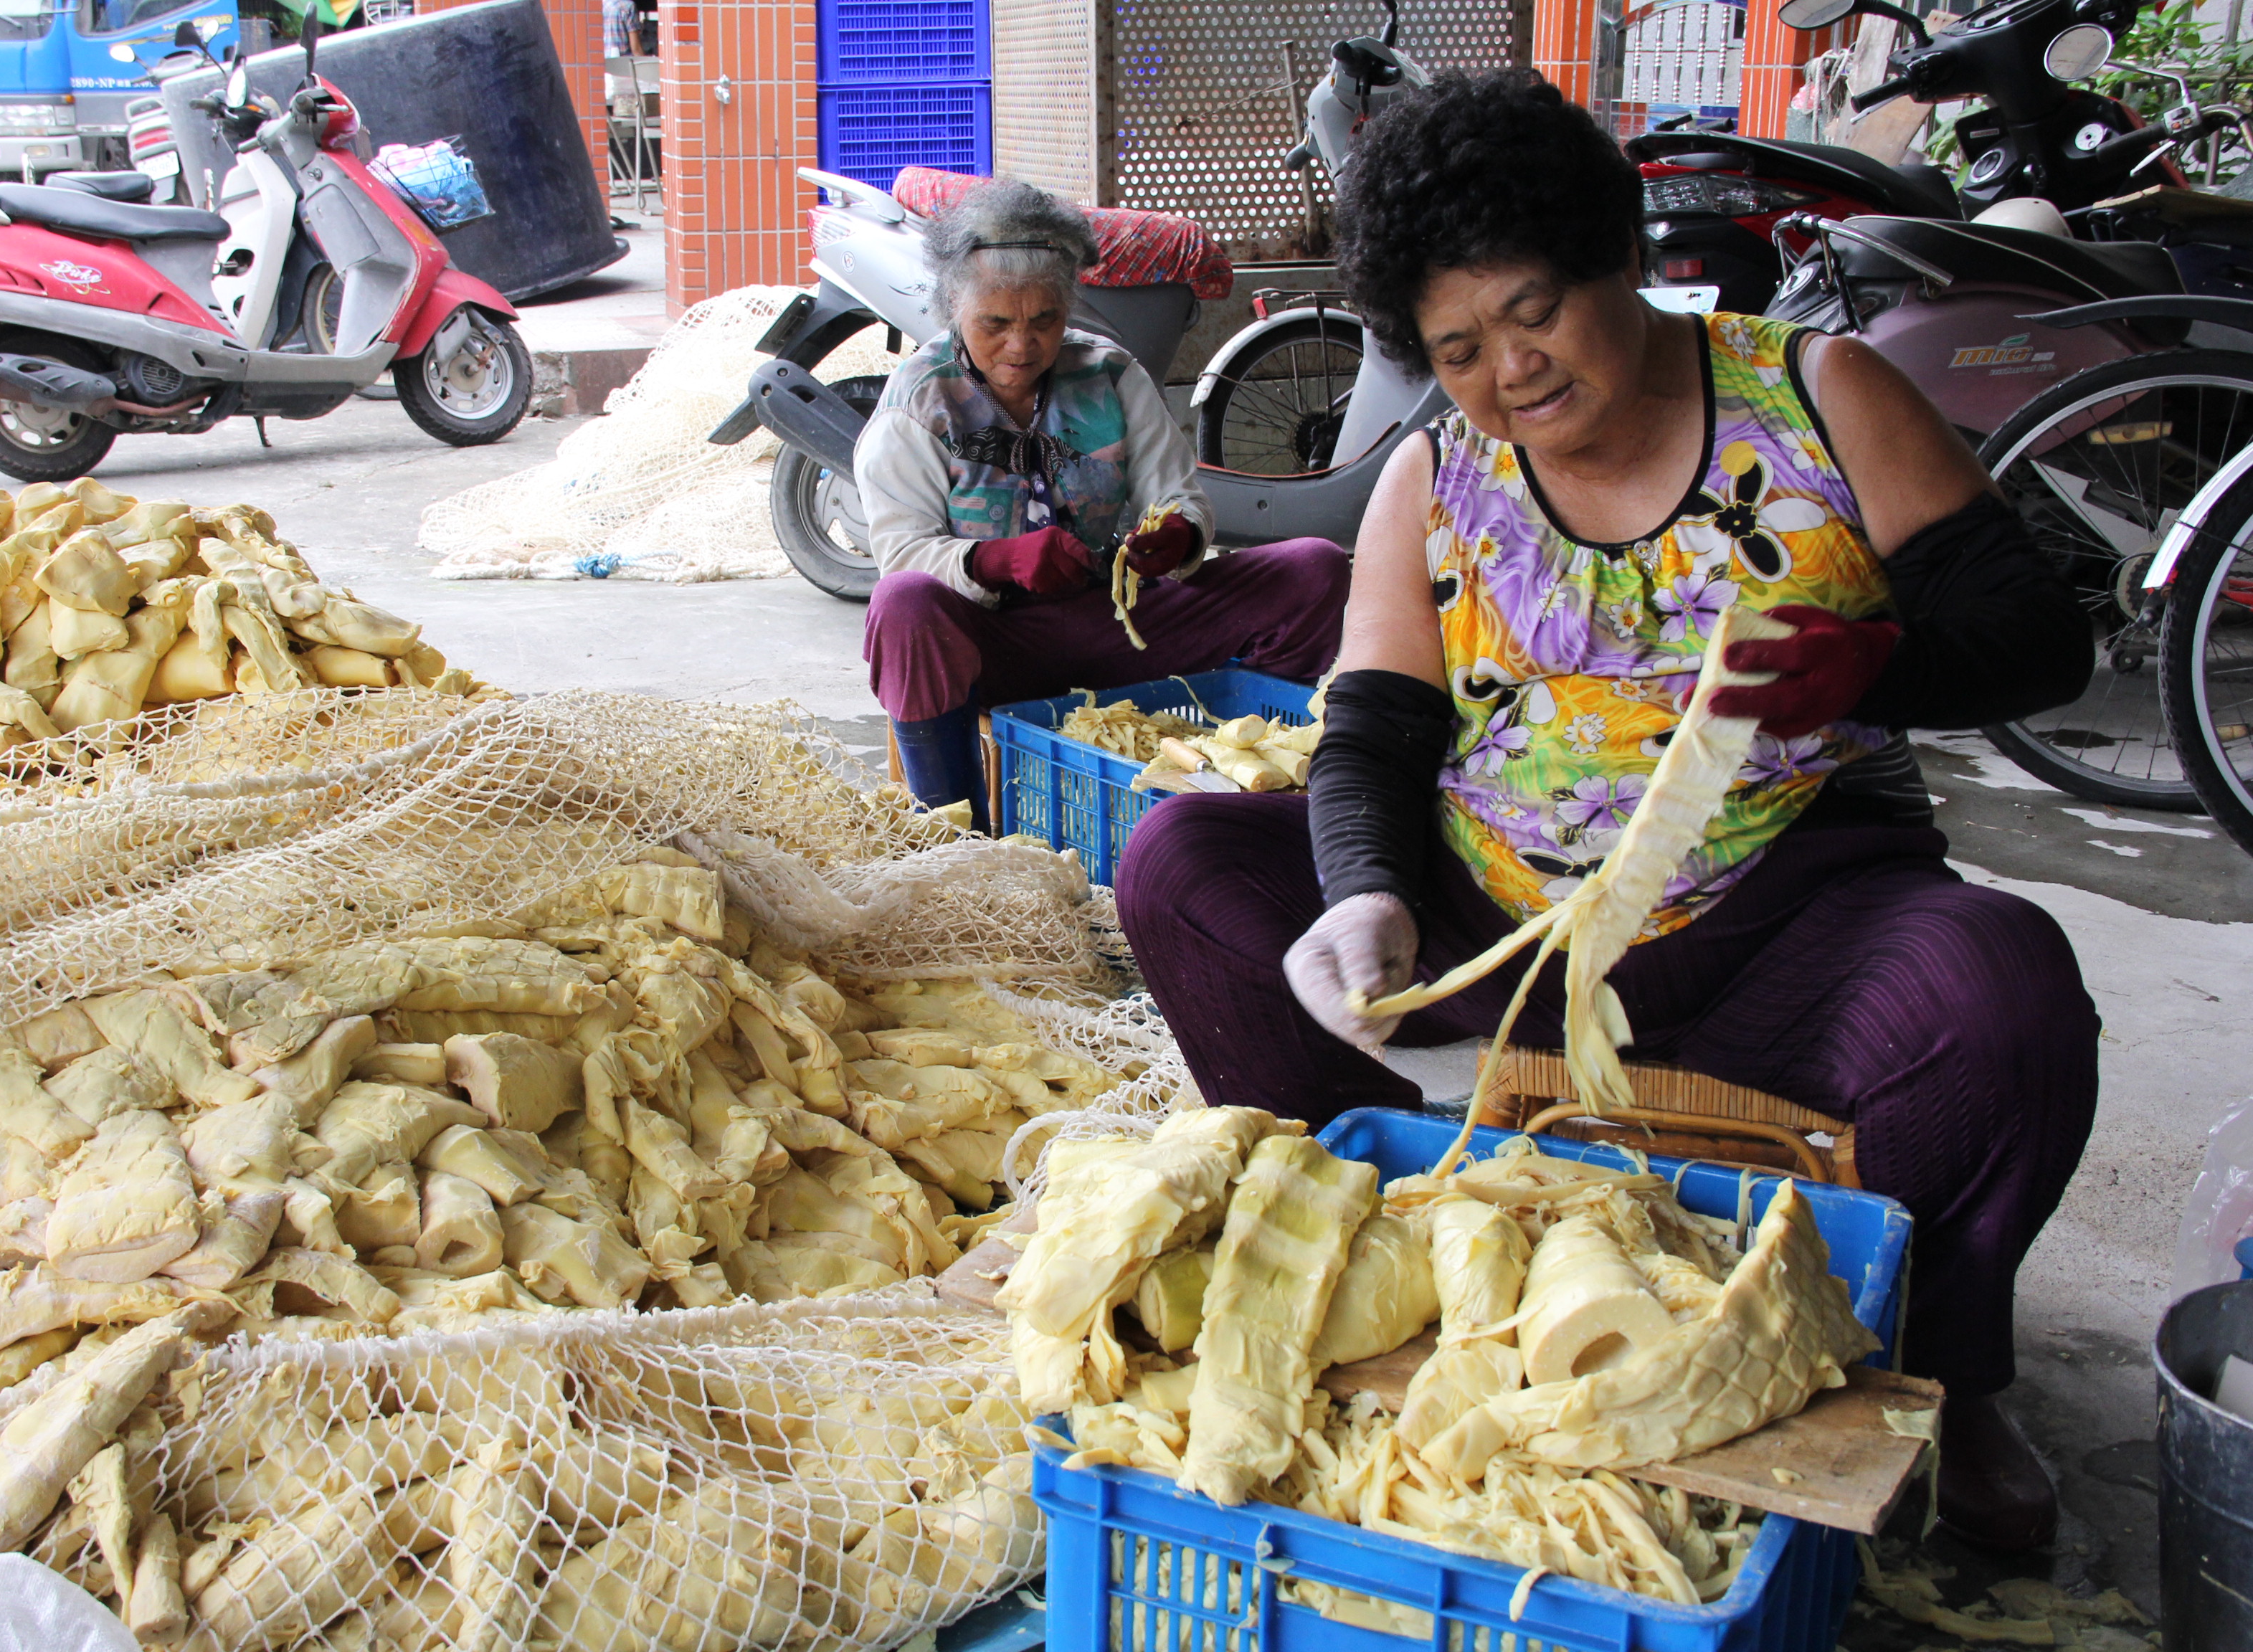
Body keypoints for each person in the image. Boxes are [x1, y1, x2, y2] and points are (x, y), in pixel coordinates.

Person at [1113, 69, 2098, 1552]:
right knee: (1182, 865)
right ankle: (1421, 1241)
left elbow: (2040, 634)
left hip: (1782, 925)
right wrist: (1367, 892)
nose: (1512, 371)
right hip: (1509, 932)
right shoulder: (1435, 479)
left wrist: (1876, 661)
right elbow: (1375, 728)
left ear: (1618, 259)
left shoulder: (1819, 396)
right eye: (1458, 349)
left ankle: (1940, 1365)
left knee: (2002, 991)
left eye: (1535, 311)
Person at [855, 179, 1352, 831]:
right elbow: (903, 554)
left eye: (1044, 321)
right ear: (954, 306)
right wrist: (997, 562)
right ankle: (954, 834)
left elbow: (1178, 494)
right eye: (995, 324)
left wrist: (1178, 535)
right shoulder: (920, 399)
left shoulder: (1110, 373)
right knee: (904, 608)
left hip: (1119, 624)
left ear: (1069, 308)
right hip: (995, 645)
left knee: (1314, 569)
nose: (1020, 346)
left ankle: (1229, 767)